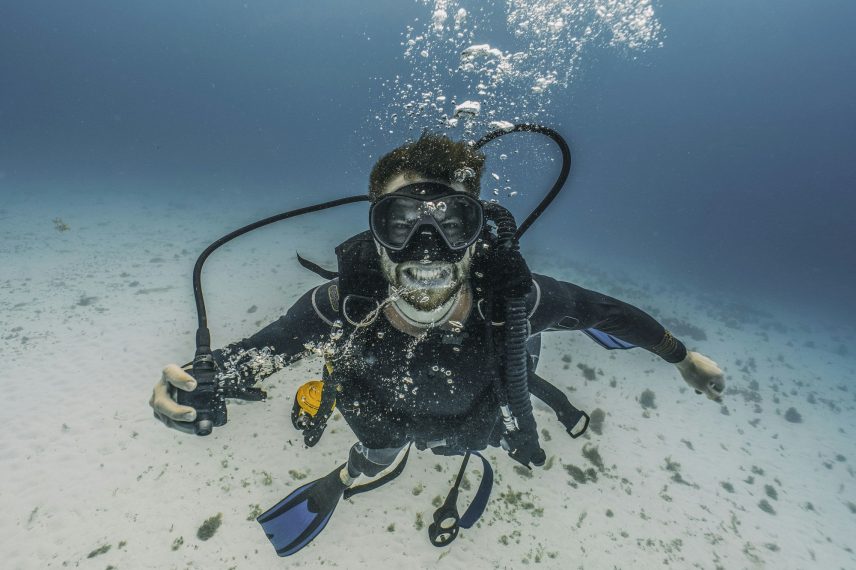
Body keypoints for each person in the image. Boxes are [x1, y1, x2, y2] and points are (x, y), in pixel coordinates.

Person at [150, 132, 725, 556]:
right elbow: (263, 351)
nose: (428, 247)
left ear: (478, 232)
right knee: (377, 448)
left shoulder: (515, 304)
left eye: (453, 222)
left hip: (474, 423)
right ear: (376, 231)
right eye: (402, 223)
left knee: (470, 440)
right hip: (380, 419)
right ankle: (367, 465)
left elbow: (608, 313)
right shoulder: (339, 307)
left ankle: (403, 462)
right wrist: (199, 381)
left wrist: (680, 356)